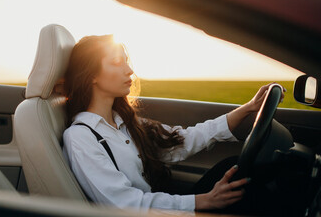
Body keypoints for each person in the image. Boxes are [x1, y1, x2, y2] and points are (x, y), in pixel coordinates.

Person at [62, 34, 284, 212]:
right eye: (116, 63)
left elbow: (182, 141)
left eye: (126, 62)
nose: (129, 70)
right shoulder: (81, 137)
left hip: (162, 209)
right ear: (92, 75)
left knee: (235, 169)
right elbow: (126, 204)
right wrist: (202, 202)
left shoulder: (125, 122)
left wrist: (250, 107)